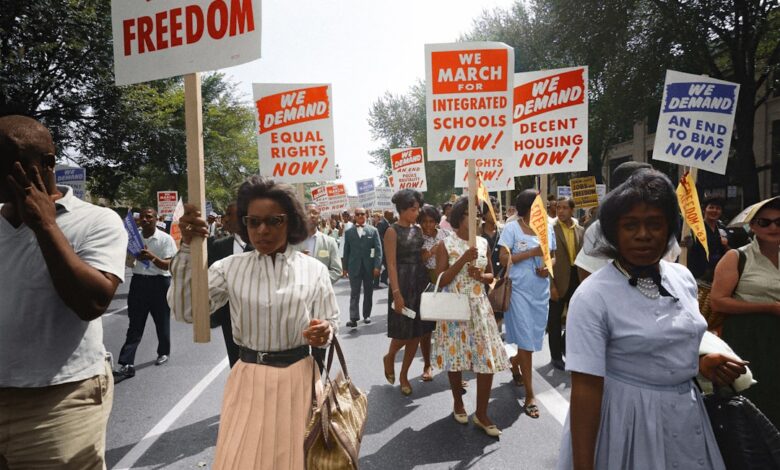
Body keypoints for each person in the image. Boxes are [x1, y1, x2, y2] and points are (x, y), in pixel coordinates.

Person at [557, 170, 747, 470]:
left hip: (687, 415)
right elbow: (585, 390)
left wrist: (697, 364)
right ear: (613, 232)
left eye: (654, 224)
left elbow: (671, 341)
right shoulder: (592, 296)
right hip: (629, 424)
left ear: (669, 228)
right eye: (630, 225)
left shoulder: (682, 277)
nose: (643, 234)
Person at [168, 176, 339, 469]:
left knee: (294, 460)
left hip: (298, 379)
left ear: (291, 222)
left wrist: (324, 332)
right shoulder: (228, 268)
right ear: (244, 224)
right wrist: (187, 249)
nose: (263, 230)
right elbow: (186, 311)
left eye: (274, 221)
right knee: (242, 459)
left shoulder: (314, 270)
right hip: (248, 378)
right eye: (253, 221)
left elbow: (330, 322)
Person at [0, 115, 127, 469]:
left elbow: (92, 302)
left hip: (60, 403)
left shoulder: (96, 221)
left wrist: (45, 226)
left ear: (46, 165)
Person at [433, 197, 510, 437]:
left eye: (477, 213)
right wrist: (463, 260)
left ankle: (482, 413)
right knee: (456, 359)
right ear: (459, 218)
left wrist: (482, 276)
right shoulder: (447, 244)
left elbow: (492, 277)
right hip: (455, 307)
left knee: (486, 360)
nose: (476, 217)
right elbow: (440, 279)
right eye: (470, 213)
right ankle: (458, 402)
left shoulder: (482, 243)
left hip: (479, 306)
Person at [710, 196, 780, 428]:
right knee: (754, 401)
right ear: (752, 226)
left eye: (779, 222)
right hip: (748, 337)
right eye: (765, 222)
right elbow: (718, 301)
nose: (773, 227)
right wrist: (768, 308)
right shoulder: (737, 257)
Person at [498, 189, 555, 419]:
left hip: (539, 292)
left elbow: (552, 255)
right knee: (526, 341)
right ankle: (531, 395)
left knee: (531, 338)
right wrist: (531, 252)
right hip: (518, 290)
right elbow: (503, 259)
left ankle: (515, 363)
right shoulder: (511, 228)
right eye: (537, 204)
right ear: (527, 206)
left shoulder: (547, 228)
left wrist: (546, 267)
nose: (542, 207)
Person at [114, 207, 178, 379]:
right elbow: (128, 263)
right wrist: (132, 257)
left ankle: (163, 352)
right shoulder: (134, 238)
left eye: (149, 217)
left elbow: (169, 265)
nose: (145, 220)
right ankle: (126, 363)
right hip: (139, 283)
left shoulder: (166, 239)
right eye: (142, 217)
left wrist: (151, 257)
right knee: (135, 325)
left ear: (156, 219)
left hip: (160, 284)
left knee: (161, 321)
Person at [382, 189, 432, 396]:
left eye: (417, 208)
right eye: (413, 209)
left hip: (419, 283)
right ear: (402, 209)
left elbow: (422, 257)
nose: (416, 212)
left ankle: (404, 375)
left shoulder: (419, 230)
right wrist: (396, 293)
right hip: (401, 284)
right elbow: (391, 264)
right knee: (403, 332)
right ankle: (390, 356)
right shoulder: (392, 231)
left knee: (417, 333)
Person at [207, 202, 253, 368]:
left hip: (257, 315)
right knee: (236, 365)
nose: (225, 218)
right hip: (229, 316)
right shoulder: (219, 246)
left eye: (229, 214)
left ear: (243, 218)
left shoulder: (262, 244)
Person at [548, 197, 584, 371]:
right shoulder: (550, 229)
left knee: (575, 318)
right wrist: (551, 285)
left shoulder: (580, 230)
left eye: (564, 208)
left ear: (572, 210)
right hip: (558, 280)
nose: (560, 211)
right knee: (554, 320)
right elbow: (546, 259)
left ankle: (564, 345)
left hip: (577, 278)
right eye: (557, 208)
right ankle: (555, 357)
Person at [419, 204, 448, 381]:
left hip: (447, 281)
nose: (428, 225)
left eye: (431, 221)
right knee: (426, 328)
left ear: (437, 222)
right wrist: (431, 251)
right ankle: (427, 365)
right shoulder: (417, 237)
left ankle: (452, 367)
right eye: (424, 222)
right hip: (427, 283)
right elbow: (420, 259)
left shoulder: (446, 234)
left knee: (448, 326)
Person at [343, 207, 382, 328]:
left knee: (368, 292)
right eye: (358, 214)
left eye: (362, 214)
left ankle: (366, 315)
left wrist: (377, 266)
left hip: (369, 267)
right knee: (354, 292)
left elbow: (378, 250)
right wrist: (344, 268)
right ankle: (353, 318)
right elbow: (346, 251)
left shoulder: (373, 230)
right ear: (354, 216)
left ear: (366, 215)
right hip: (354, 267)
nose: (360, 216)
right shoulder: (349, 232)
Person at [293, 202, 342, 284]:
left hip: (322, 292)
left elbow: (337, 271)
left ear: (319, 217)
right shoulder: (292, 242)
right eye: (308, 212)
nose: (312, 215)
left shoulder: (330, 242)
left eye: (315, 213)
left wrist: (318, 281)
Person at [685, 197, 729, 281]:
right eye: (711, 207)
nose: (715, 210)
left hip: (717, 273)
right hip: (698, 274)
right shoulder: (695, 228)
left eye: (718, 208)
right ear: (704, 209)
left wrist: (726, 246)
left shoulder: (722, 229)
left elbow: (729, 252)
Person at [375, 210, 392, 287]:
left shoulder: (386, 222)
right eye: (390, 214)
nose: (392, 216)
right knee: (378, 265)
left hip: (385, 247)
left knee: (387, 265)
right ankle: (378, 282)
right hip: (382, 248)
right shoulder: (381, 223)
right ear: (386, 215)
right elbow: (378, 236)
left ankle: (383, 279)